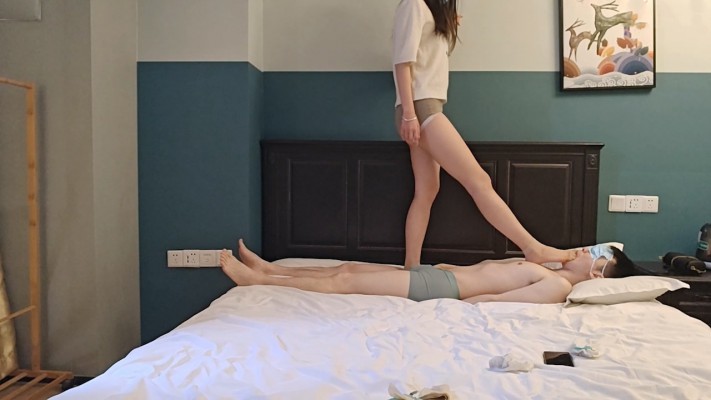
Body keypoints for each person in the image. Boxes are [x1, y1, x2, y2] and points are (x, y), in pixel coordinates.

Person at [391, 0, 572, 268]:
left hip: (424, 107)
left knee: (426, 190)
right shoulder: (414, 4)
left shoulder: (428, 10)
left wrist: (446, 22)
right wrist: (409, 114)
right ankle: (532, 248)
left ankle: (411, 267)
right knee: (479, 181)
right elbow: (402, 62)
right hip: (420, 107)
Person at [220, 240, 638, 304]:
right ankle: (271, 268)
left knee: (345, 281)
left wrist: (451, 300)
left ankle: (258, 280)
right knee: (345, 267)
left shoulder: (556, 285)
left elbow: (494, 300)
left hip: (439, 288)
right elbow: (490, 270)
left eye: (594, 253)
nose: (583, 250)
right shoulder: (549, 268)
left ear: (598, 273)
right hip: (439, 275)